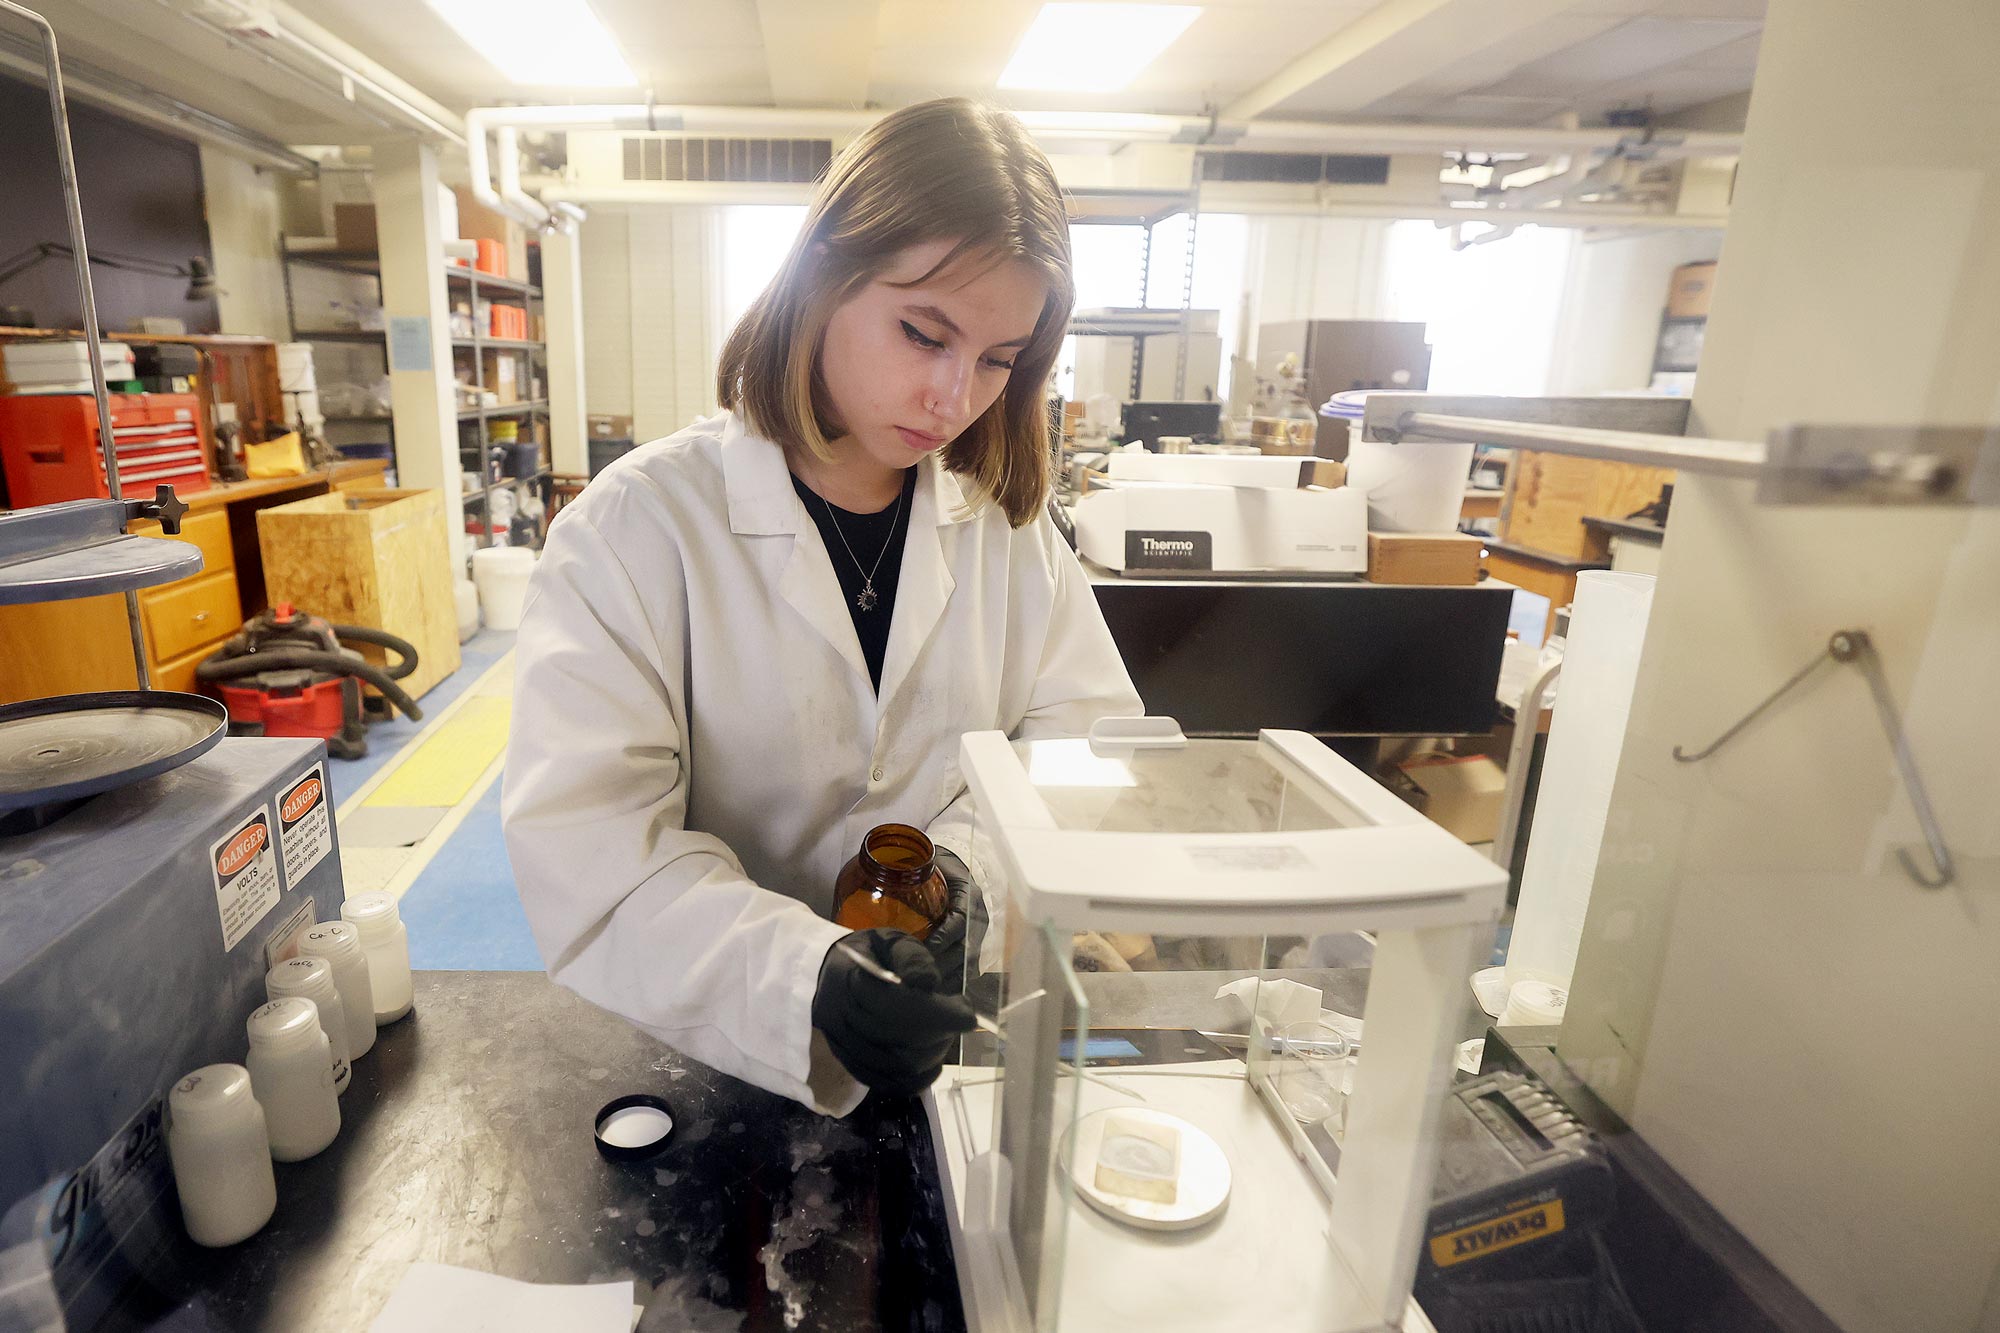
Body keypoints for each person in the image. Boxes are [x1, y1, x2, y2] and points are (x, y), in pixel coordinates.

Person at [502, 98, 1142, 1117]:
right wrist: (806, 976)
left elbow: (1084, 740)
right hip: (712, 1053)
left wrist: (971, 882)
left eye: (996, 359)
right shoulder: (636, 528)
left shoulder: (1004, 532)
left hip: (947, 1049)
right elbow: (593, 854)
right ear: (820, 280)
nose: (950, 396)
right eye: (923, 331)